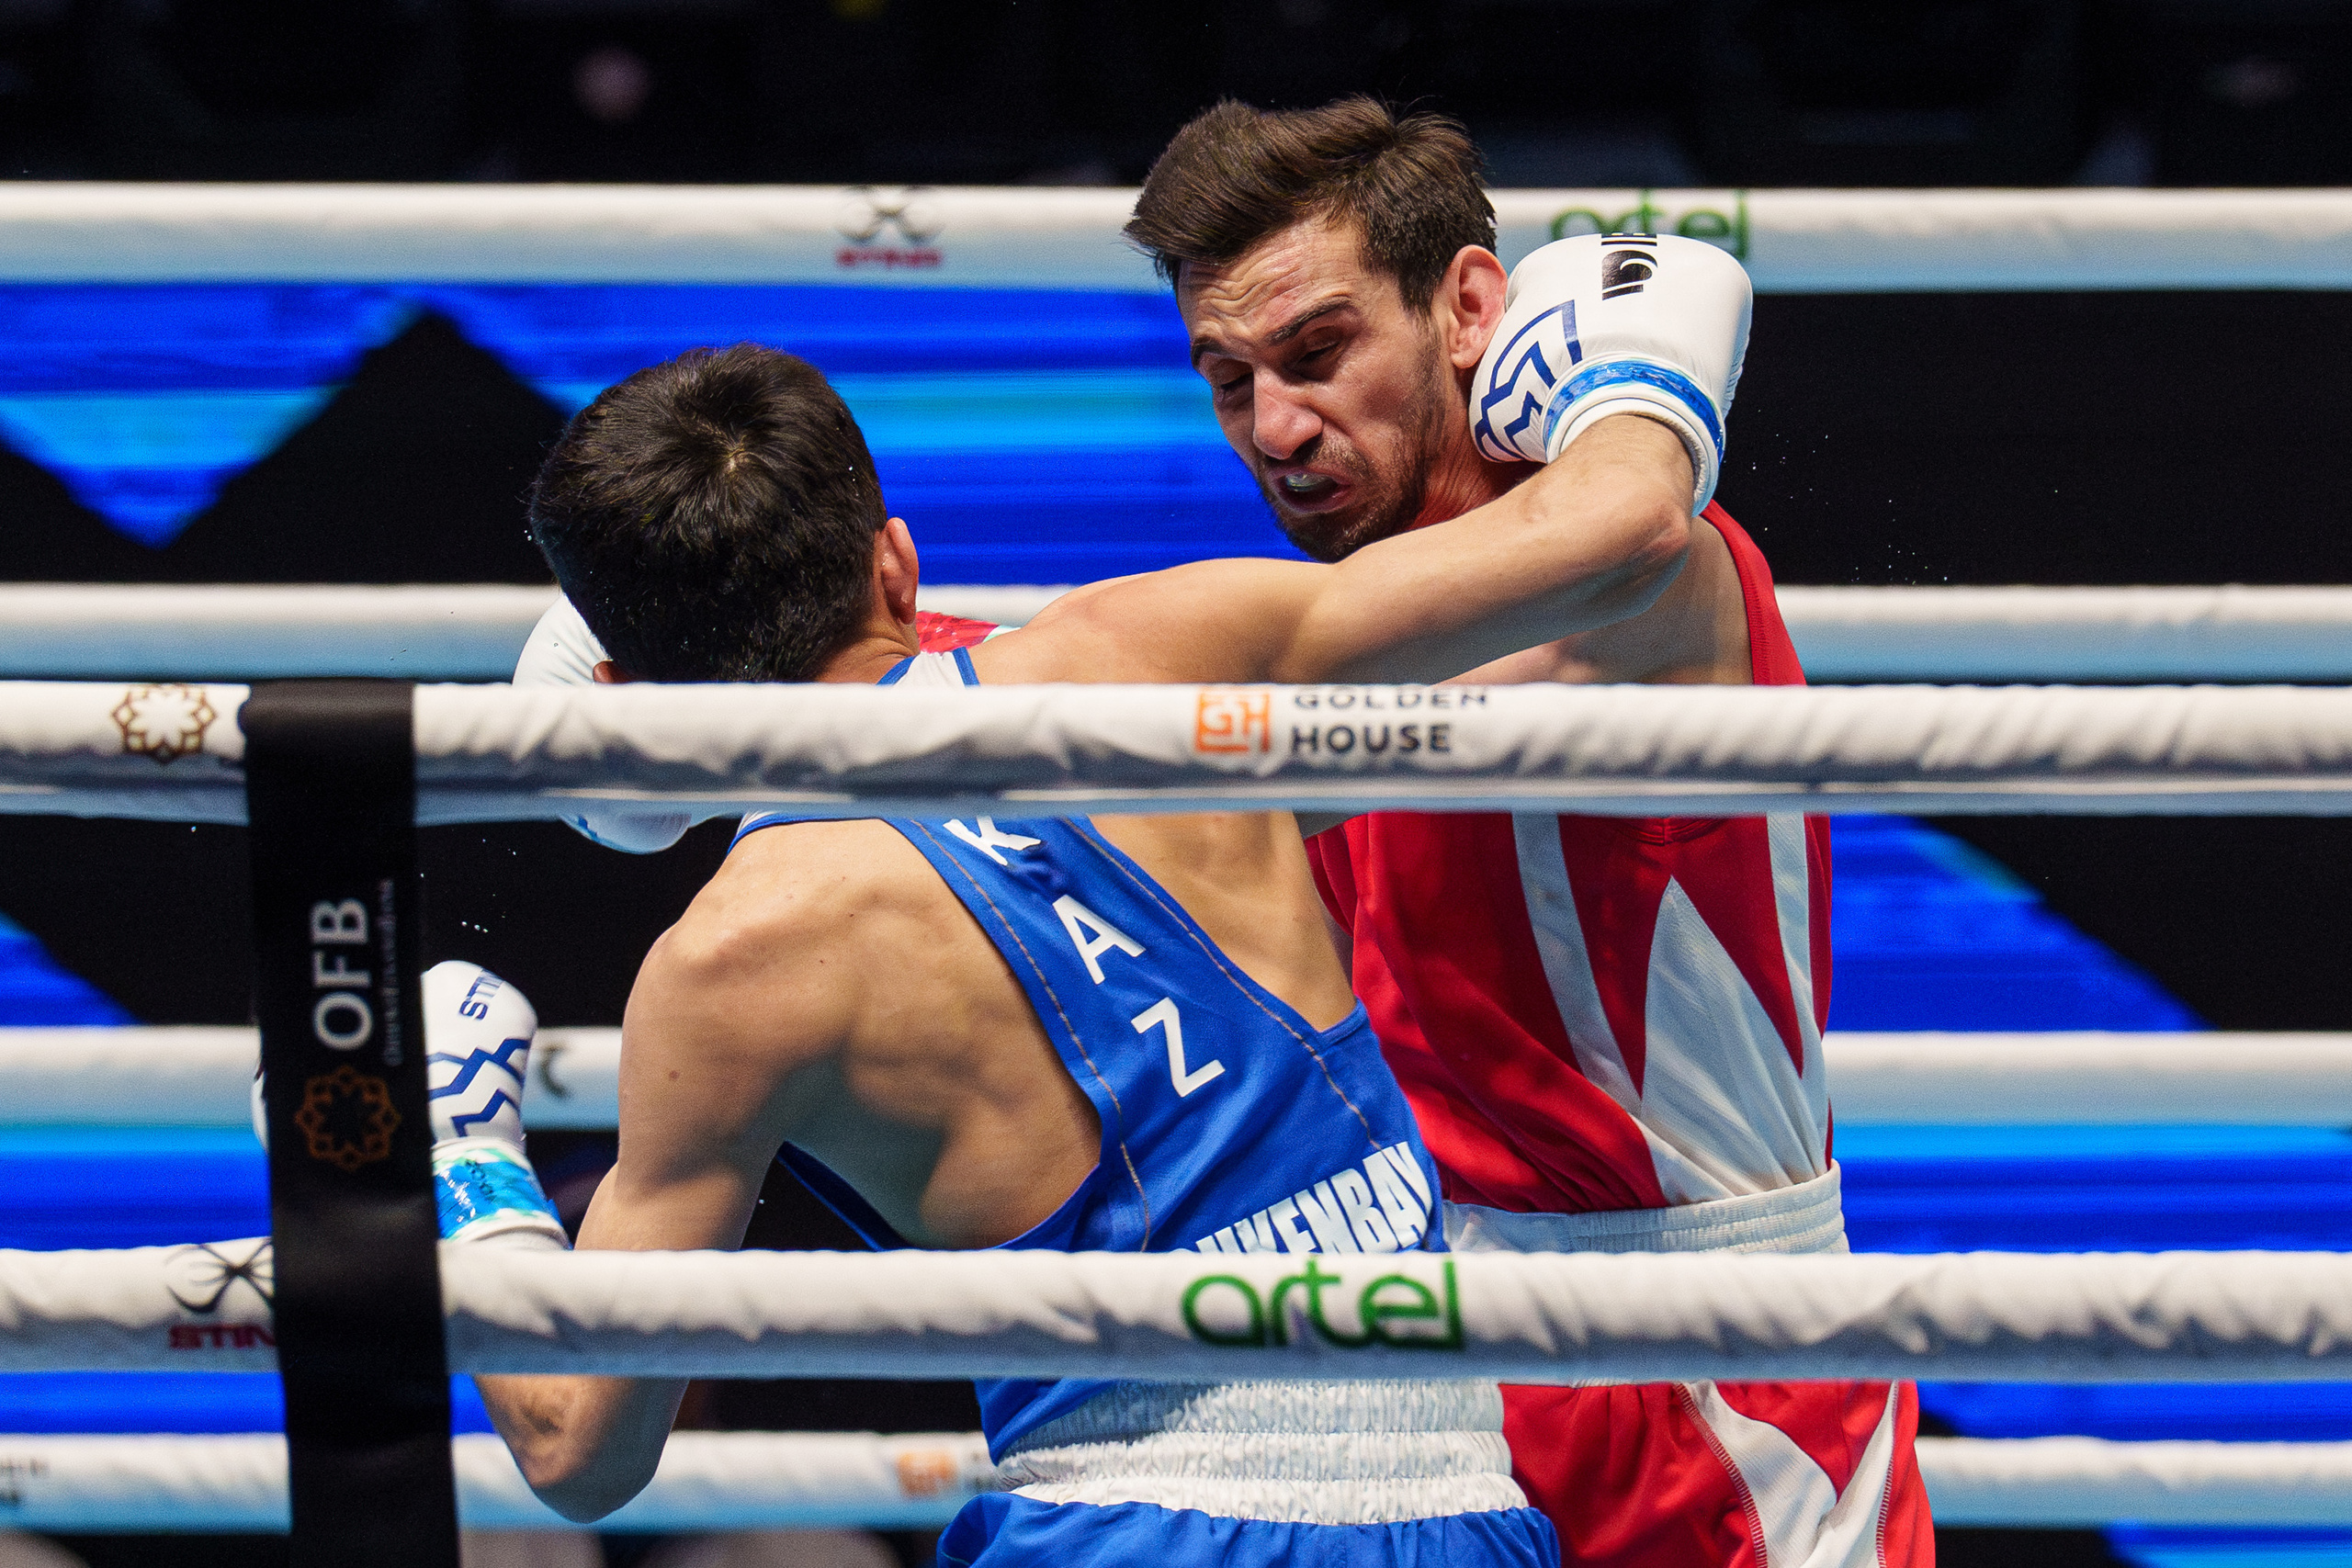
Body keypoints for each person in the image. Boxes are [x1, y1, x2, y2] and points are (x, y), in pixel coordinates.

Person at [455, 317, 1731, 1564]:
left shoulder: (728, 964)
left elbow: (581, 1451)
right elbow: (1620, 543)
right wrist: (1633, 356)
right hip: (1457, 1509)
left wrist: (468, 1160)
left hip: (1116, 1529)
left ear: (619, 708)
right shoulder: (1154, 653)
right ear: (897, 563)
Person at [1123, 98, 1933, 1568]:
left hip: (1711, 1379)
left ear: (1471, 308)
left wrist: (1634, 396)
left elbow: (1624, 526)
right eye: (1230, 381)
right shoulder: (1316, 631)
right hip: (1439, 1382)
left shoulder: (1651, 591)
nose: (1278, 428)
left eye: (1318, 355)